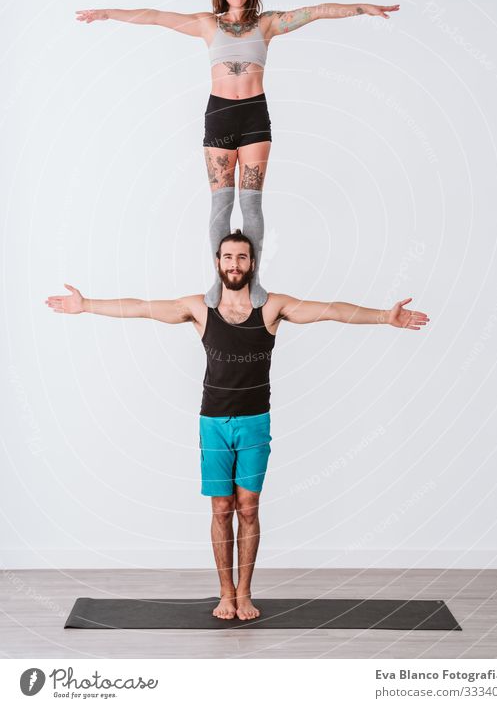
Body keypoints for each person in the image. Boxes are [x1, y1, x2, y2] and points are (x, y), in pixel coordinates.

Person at [45, 230, 429, 622]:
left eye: (242, 258)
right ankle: (225, 593)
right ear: (218, 262)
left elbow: (329, 309)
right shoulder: (198, 308)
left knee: (248, 508)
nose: (234, 264)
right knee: (220, 508)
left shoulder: (271, 308)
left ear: (252, 263)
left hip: (254, 424)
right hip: (213, 424)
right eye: (227, 257)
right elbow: (142, 307)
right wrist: (86, 304)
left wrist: (385, 316)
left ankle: (244, 593)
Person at [75, 0, 400, 309]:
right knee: (221, 203)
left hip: (254, 117)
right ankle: (218, 279)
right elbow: (155, 16)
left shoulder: (267, 23)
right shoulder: (206, 24)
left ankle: (255, 278)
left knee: (251, 204)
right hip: (220, 116)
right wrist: (107, 12)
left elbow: (314, 11)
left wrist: (359, 8)